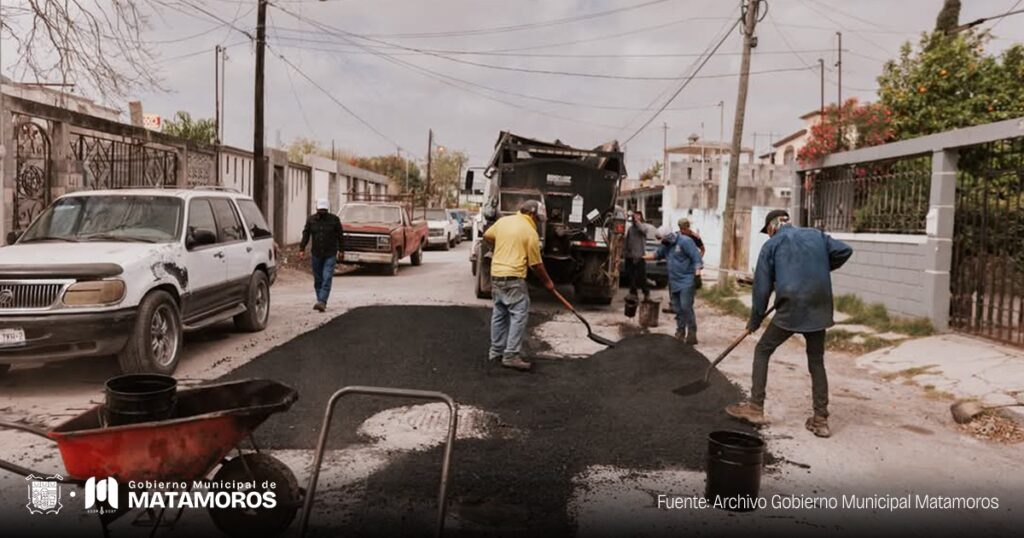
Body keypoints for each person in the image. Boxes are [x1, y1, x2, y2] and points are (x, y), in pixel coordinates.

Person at [725, 209, 853, 438]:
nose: (768, 235)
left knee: (763, 350)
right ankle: (821, 419)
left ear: (772, 226)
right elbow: (845, 250)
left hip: (792, 307)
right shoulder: (816, 235)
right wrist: (820, 267)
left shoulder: (772, 245)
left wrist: (754, 320)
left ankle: (755, 407)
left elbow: (761, 289)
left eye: (768, 231)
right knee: (816, 360)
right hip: (819, 305)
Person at [482, 199, 556, 372]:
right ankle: (511, 355)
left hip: (496, 275)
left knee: (499, 312)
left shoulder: (503, 221)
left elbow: (487, 235)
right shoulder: (530, 232)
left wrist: (499, 247)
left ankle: (496, 352)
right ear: (531, 214)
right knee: (519, 313)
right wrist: (548, 282)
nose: (537, 222)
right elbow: (536, 264)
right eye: (537, 218)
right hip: (513, 278)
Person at [647, 217, 703, 344]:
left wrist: (697, 274)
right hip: (673, 281)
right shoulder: (666, 245)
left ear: (669, 236)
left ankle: (692, 333)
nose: (662, 242)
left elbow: (696, 258)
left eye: (663, 239)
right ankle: (680, 331)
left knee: (686, 307)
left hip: (687, 280)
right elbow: (657, 254)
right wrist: (642, 257)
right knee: (677, 308)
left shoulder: (686, 241)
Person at [298, 198, 344, 312]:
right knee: (318, 279)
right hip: (316, 254)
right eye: (320, 210)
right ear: (317, 209)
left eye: (324, 210)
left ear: (327, 209)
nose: (322, 212)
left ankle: (322, 301)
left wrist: (342, 250)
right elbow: (306, 234)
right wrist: (302, 248)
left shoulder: (334, 220)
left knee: (327, 277)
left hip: (330, 253)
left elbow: (340, 236)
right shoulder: (311, 220)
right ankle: (320, 300)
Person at [661, 219, 704, 313]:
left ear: (688, 227)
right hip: (678, 266)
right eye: (681, 227)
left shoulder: (694, 237)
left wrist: (696, 259)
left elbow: (702, 249)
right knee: (672, 285)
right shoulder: (676, 235)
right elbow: (667, 245)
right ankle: (673, 306)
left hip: (689, 267)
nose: (682, 229)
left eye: (684, 227)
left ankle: (687, 307)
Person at [623, 211, 660, 300]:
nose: (635, 217)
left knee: (641, 277)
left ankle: (646, 293)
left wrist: (637, 221)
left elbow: (643, 230)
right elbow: (627, 242)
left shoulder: (643, 227)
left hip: (639, 256)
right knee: (631, 276)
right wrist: (626, 253)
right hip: (630, 256)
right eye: (634, 216)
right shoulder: (631, 229)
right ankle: (633, 293)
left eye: (638, 216)